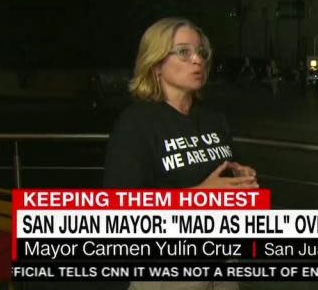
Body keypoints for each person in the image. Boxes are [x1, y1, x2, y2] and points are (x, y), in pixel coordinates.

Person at [104, 17, 257, 290]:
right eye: (183, 52)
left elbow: (226, 175)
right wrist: (197, 198)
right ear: (156, 63)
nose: (197, 60)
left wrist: (242, 179)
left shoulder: (214, 118)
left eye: (201, 52)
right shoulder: (136, 123)